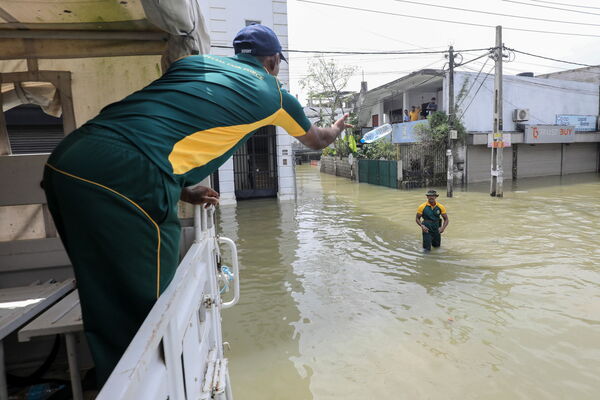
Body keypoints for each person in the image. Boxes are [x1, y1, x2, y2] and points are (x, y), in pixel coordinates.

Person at [42, 24, 350, 385]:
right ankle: (143, 386)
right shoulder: (275, 94)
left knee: (100, 287)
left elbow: (161, 124)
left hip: (67, 160)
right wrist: (338, 127)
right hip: (130, 175)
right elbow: (316, 140)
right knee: (154, 309)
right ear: (273, 61)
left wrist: (185, 189)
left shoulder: (192, 65)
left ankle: (107, 377)